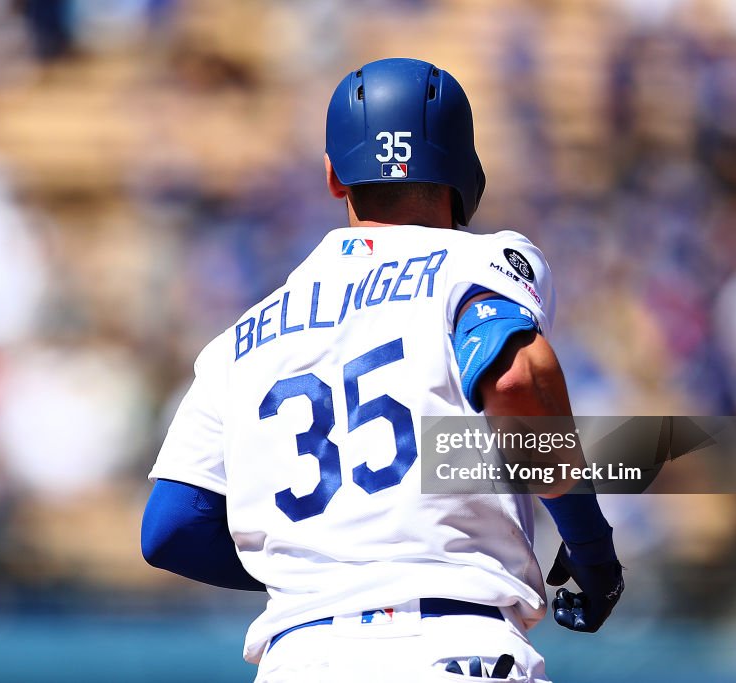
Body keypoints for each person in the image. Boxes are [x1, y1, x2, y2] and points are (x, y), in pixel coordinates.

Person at [141, 58, 623, 682]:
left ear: (334, 176)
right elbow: (514, 379)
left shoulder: (242, 339)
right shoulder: (474, 261)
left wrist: (322, 570)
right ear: (465, 169)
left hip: (300, 660)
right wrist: (589, 544)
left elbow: (170, 528)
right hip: (451, 646)